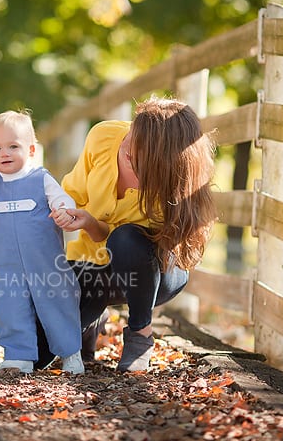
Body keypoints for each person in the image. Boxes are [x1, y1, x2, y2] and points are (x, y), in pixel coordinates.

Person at [37, 96, 216, 372]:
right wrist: (66, 214)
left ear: (162, 163)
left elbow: (154, 249)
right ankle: (89, 321)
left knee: (127, 238)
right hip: (93, 266)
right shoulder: (105, 136)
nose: (125, 148)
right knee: (39, 354)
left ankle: (140, 334)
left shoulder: (171, 186)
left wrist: (105, 231)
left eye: (134, 154)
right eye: (127, 139)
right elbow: (71, 193)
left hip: (152, 272)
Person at [0, 111, 84, 374]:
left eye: (13, 146)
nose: (4, 153)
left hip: (45, 260)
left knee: (57, 300)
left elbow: (62, 199)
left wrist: (63, 210)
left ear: (30, 149)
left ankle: (71, 353)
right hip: (5, 263)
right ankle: (18, 355)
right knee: (9, 304)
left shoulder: (40, 178)